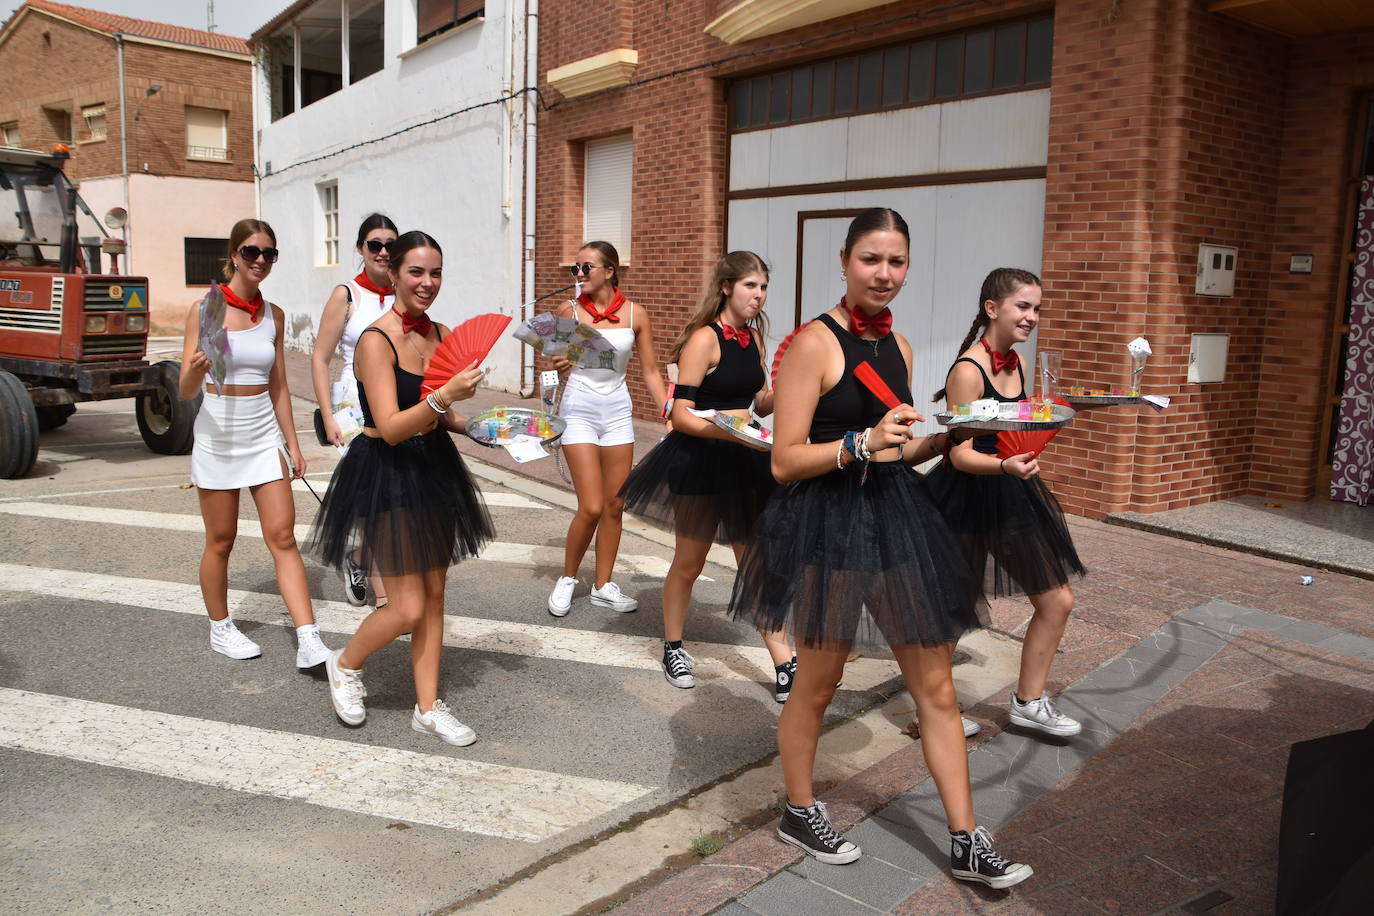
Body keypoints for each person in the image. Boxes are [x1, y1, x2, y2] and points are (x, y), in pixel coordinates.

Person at [729, 209, 1033, 889]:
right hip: (827, 524)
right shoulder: (815, 343)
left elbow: (901, 446)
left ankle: (966, 839)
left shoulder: (899, 349)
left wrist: (946, 437)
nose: (885, 274)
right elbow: (783, 461)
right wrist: (860, 444)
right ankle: (799, 809)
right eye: (872, 259)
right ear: (844, 261)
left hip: (894, 515)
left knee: (937, 687)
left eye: (897, 262)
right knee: (819, 682)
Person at [309, 231, 493, 747]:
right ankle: (344, 665)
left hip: (434, 465)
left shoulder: (441, 333)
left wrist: (480, 427)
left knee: (434, 597)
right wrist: (444, 399)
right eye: (416, 271)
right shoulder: (375, 339)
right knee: (406, 607)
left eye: (436, 272)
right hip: (387, 468)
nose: (427, 283)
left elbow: (444, 414)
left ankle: (428, 709)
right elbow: (390, 425)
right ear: (393, 274)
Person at [620, 252, 792, 697]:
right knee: (690, 562)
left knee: (755, 561)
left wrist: (787, 389)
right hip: (699, 459)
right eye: (751, 285)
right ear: (727, 287)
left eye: (764, 287)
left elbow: (756, 401)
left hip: (744, 457)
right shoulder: (704, 339)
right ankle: (673, 645)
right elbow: (681, 416)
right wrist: (731, 434)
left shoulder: (753, 340)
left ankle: (784, 660)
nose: (759, 295)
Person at [925, 267, 1086, 738]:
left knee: (1057, 600)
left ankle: (1029, 702)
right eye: (1023, 306)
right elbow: (958, 452)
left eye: (1037, 308)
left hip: (1013, 493)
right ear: (992, 308)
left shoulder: (1016, 364)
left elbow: (1021, 427)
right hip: (966, 495)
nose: (1032, 316)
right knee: (952, 612)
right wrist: (1004, 467)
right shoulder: (967, 371)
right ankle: (934, 710)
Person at [179, 219, 329, 669]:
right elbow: (186, 390)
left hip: (263, 433)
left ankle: (309, 638)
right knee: (221, 540)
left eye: (269, 253)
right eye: (251, 252)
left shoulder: (274, 315)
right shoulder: (205, 310)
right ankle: (221, 627)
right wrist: (195, 368)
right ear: (233, 255)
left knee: (283, 535)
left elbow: (279, 385)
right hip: (219, 434)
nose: (260, 260)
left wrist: (294, 444)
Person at [546, 241, 668, 617]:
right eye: (576, 269)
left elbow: (649, 370)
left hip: (617, 410)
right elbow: (550, 360)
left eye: (587, 268)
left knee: (615, 504)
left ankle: (602, 584)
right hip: (579, 406)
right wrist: (558, 363)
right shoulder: (568, 310)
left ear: (610, 271)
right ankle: (568, 577)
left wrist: (668, 408)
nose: (579, 274)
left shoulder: (635, 315)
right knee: (592, 504)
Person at [310, 213, 399, 609]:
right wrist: (327, 416)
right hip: (353, 407)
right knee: (374, 496)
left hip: (395, 402)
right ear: (361, 249)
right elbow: (319, 357)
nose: (383, 252)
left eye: (390, 244)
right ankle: (384, 598)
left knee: (391, 495)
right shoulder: (346, 295)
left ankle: (359, 558)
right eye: (374, 244)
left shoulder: (406, 290)